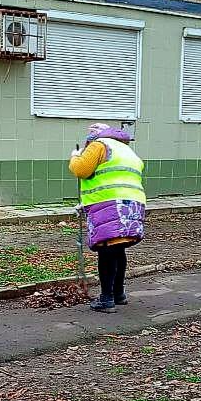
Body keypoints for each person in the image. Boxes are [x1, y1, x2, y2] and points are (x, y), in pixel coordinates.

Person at [68, 123, 147, 313]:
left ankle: (106, 299)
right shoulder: (125, 149)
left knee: (107, 250)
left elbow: (81, 169)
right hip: (132, 204)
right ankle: (118, 294)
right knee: (118, 248)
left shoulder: (99, 145)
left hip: (110, 204)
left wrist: (75, 156)